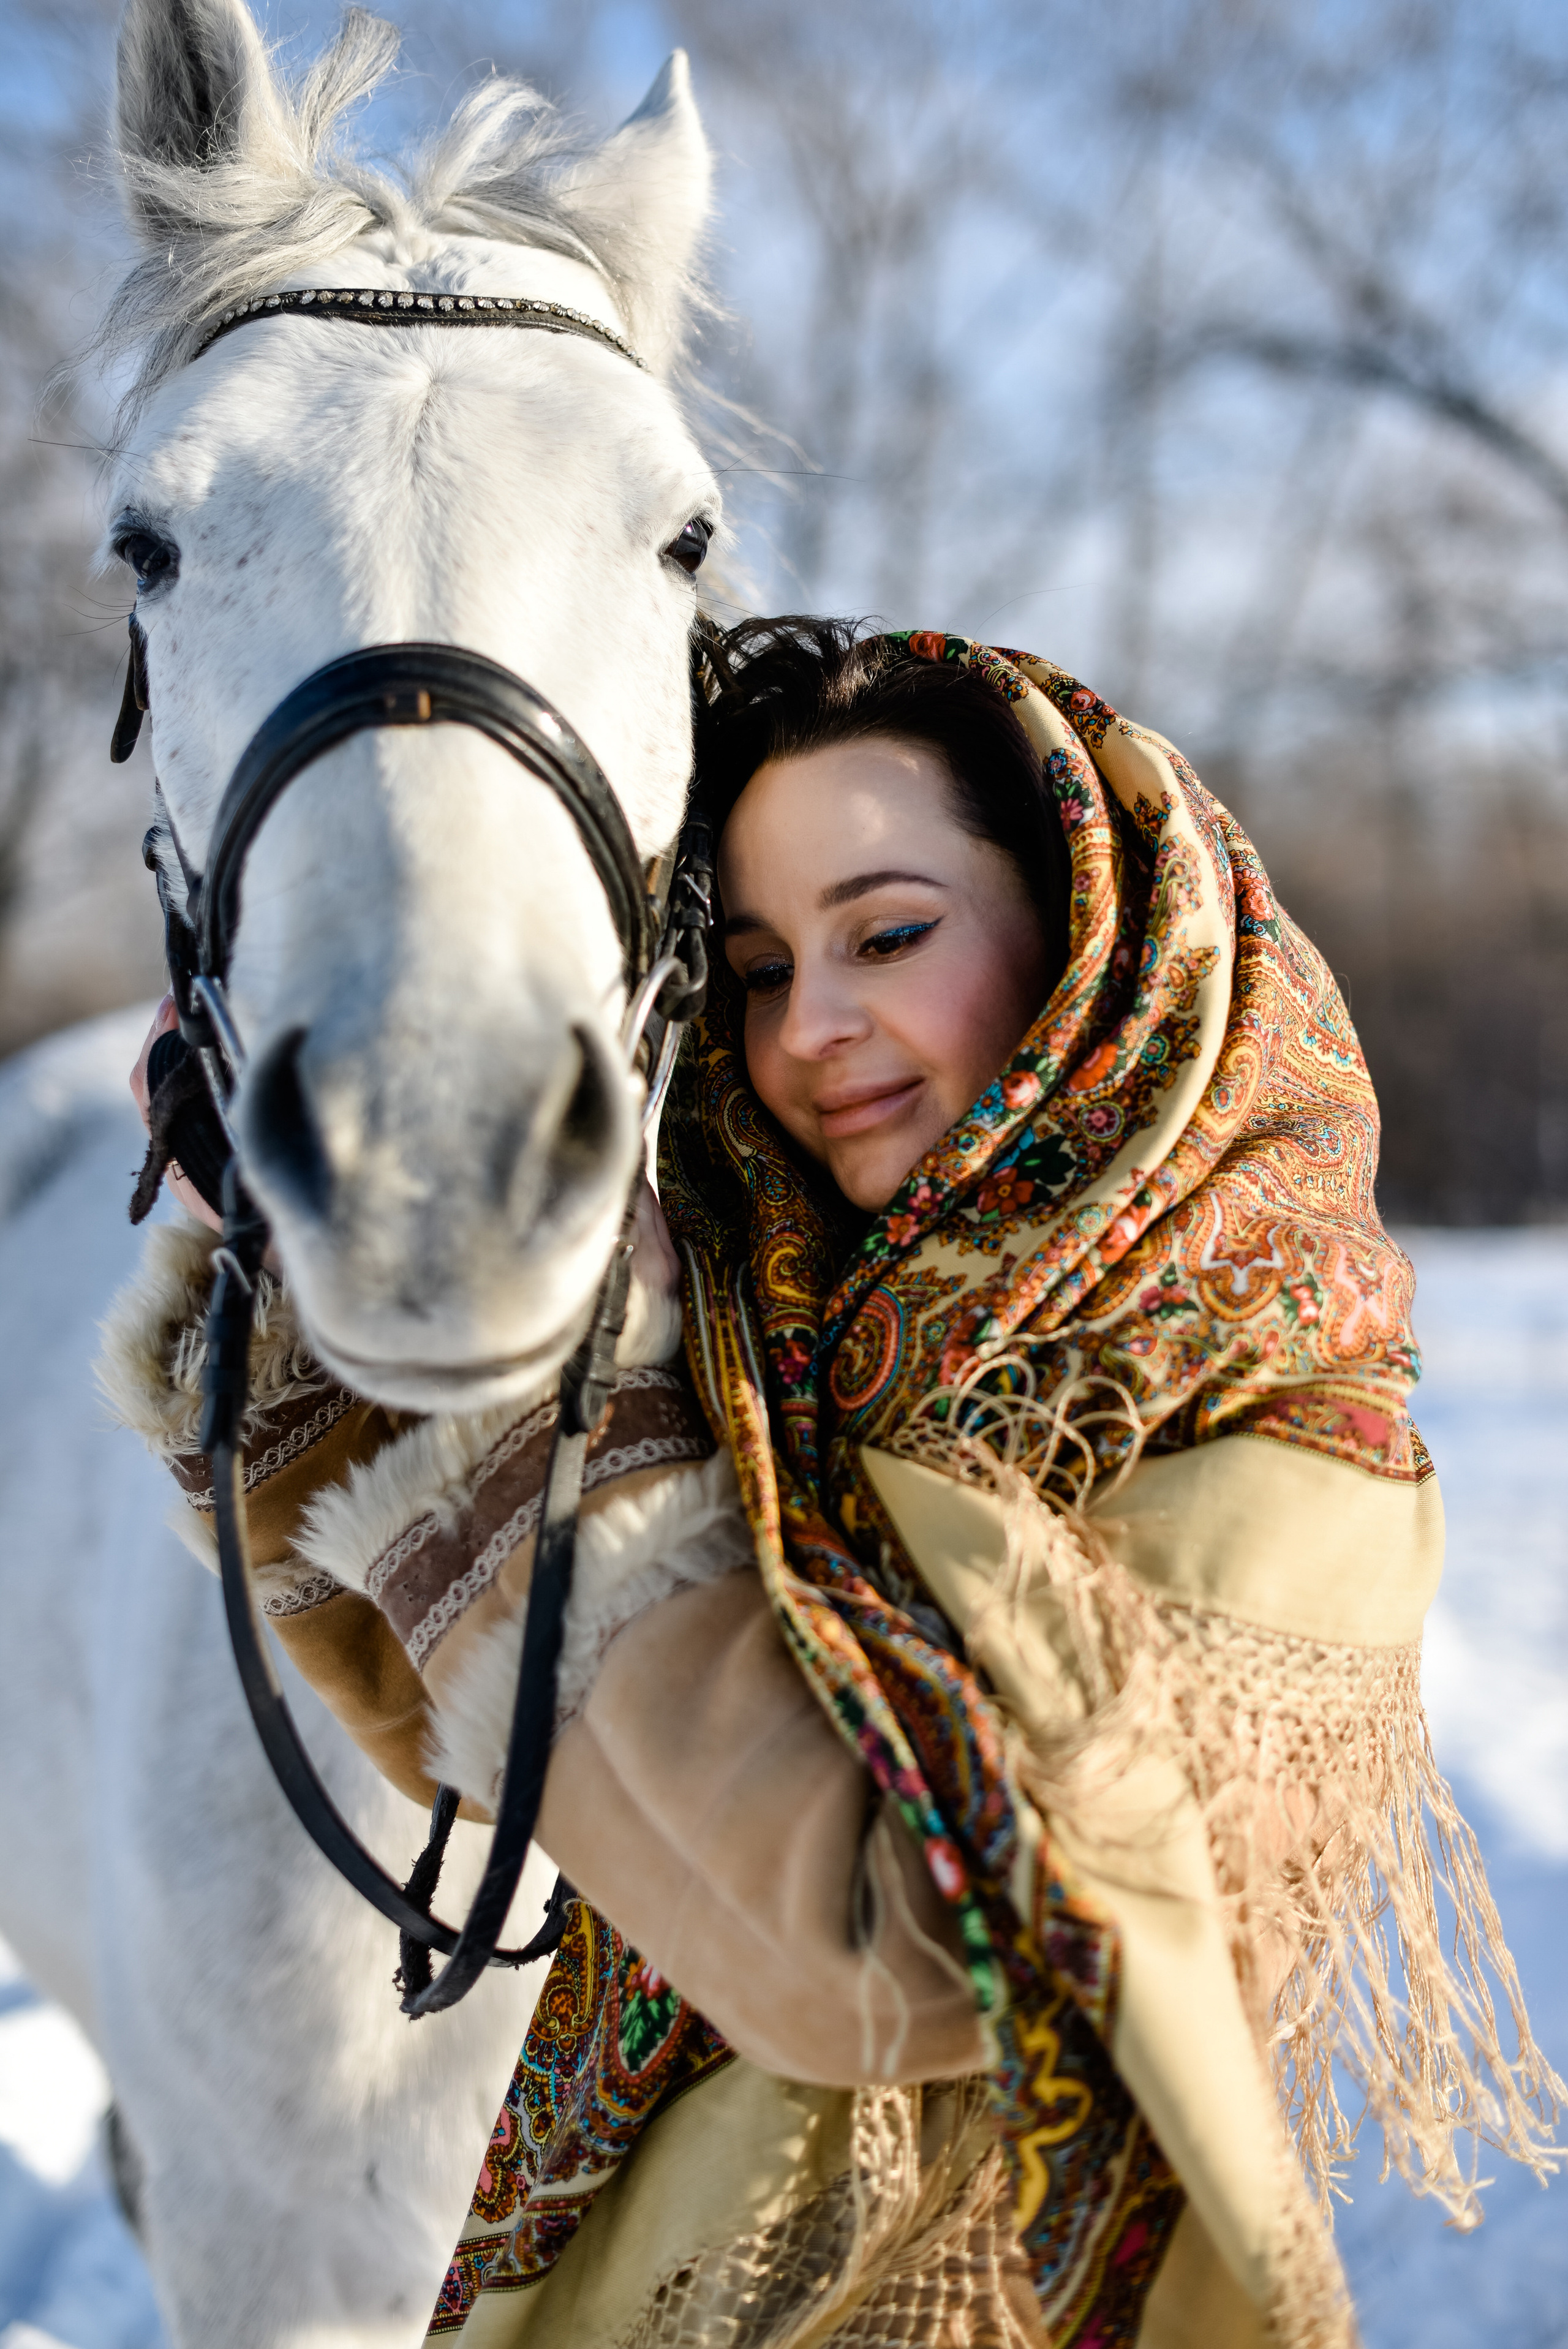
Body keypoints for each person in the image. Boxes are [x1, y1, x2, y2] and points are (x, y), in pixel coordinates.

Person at [105, 619, 1559, 2348]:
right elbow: (511, 1742)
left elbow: (901, 1955)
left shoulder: (1272, 1423)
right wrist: (310, 1277)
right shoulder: (808, 1339)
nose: (810, 1027)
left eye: (888, 934)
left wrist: (576, 1402)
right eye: (758, 965)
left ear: (1089, 927)